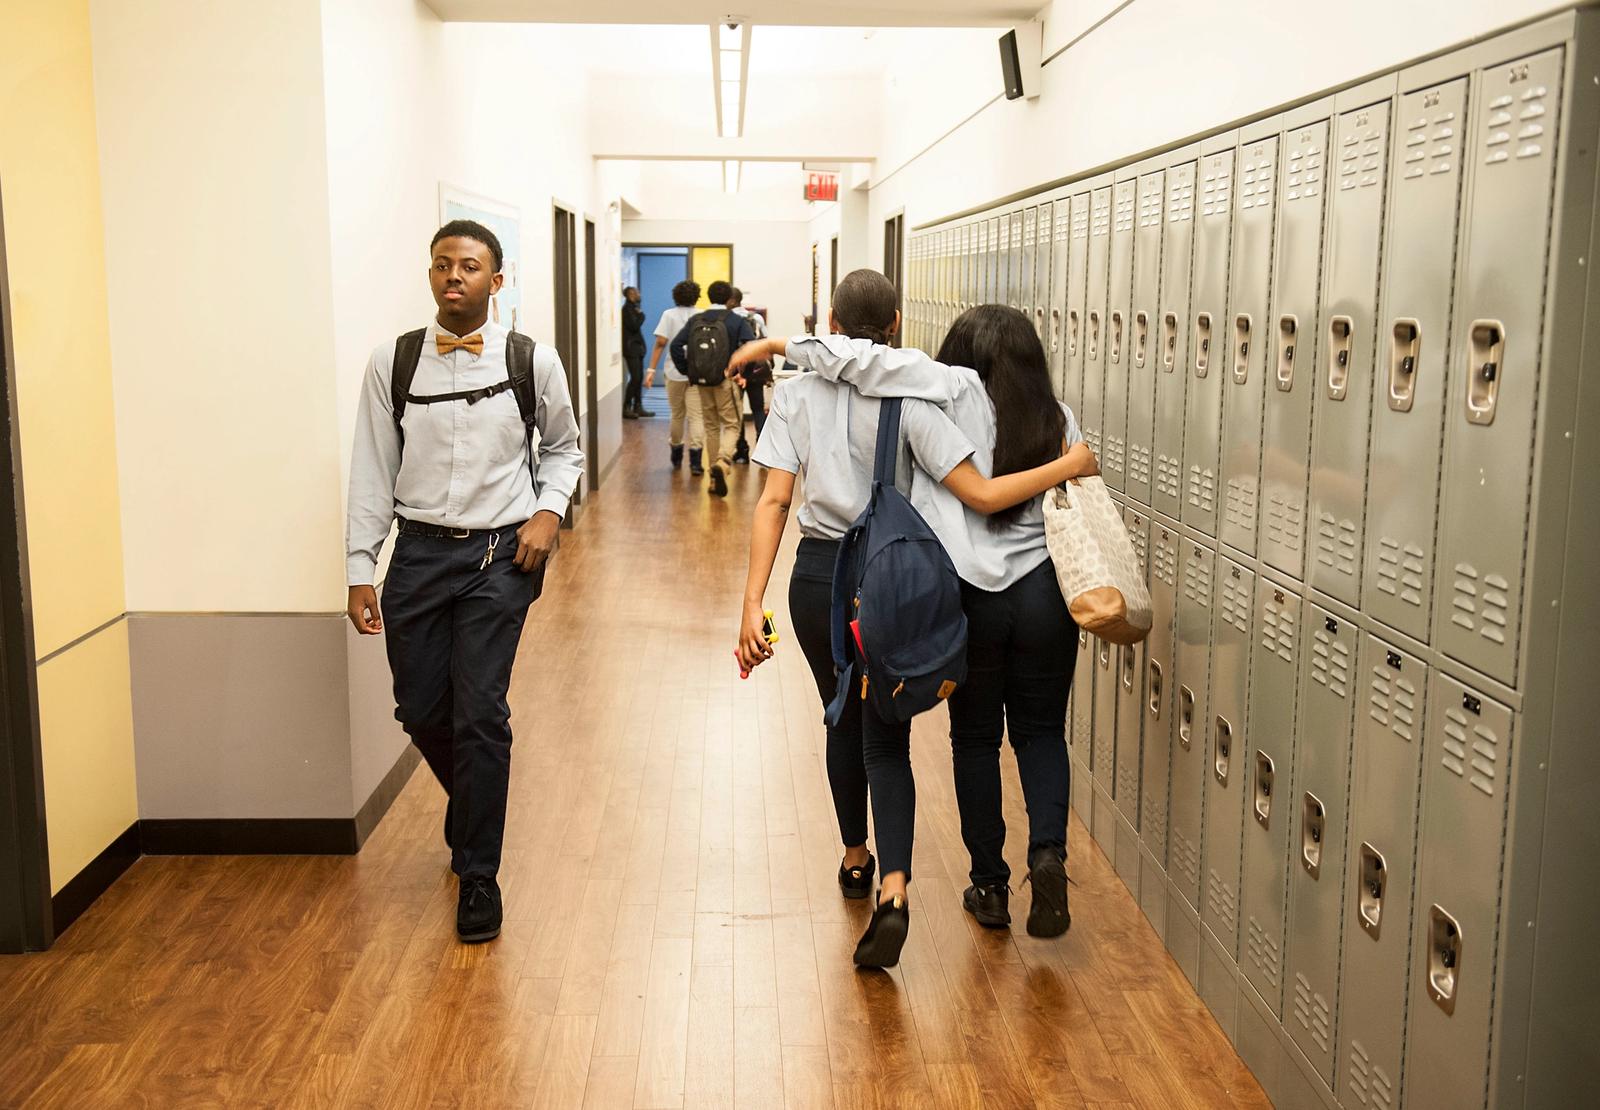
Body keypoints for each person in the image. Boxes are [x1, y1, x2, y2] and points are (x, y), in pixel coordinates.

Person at [732, 271, 1098, 968]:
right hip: (943, 583)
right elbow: (980, 490)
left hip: (851, 581)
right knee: (954, 733)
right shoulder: (1014, 413)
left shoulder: (911, 393)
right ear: (898, 322)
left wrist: (753, 602)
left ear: (835, 318)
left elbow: (776, 499)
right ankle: (994, 865)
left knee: (893, 724)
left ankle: (902, 867)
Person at [346, 219, 584, 945]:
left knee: (480, 710)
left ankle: (478, 874)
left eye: (471, 267)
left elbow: (566, 450)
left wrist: (547, 514)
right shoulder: (395, 363)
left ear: (496, 281)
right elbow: (371, 467)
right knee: (418, 707)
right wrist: (361, 565)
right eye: (443, 265)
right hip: (416, 555)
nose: (455, 276)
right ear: (430, 275)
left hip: (499, 559)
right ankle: (473, 800)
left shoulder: (530, 361)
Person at [670, 279, 755, 497]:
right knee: (733, 425)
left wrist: (688, 371)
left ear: (708, 297)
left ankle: (712, 481)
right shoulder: (735, 320)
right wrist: (743, 374)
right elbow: (751, 346)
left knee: (711, 427)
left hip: (700, 382)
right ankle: (723, 462)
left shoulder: (696, 319)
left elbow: (676, 345)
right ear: (729, 299)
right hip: (726, 380)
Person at [645, 279, 700, 470]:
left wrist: (651, 370)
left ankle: (676, 454)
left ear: (676, 296)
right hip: (696, 373)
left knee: (677, 414)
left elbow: (660, 343)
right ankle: (696, 461)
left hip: (674, 371)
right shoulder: (702, 315)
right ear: (696, 296)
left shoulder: (669, 315)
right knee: (696, 416)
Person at [723, 285, 766, 463]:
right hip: (755, 370)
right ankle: (763, 452)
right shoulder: (756, 317)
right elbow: (765, 341)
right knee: (758, 410)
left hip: (734, 372)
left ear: (732, 301)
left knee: (736, 411)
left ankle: (741, 451)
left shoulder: (727, 320)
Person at [621, 286, 652, 419]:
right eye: (636, 292)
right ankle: (627, 407)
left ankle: (638, 406)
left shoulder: (633, 308)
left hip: (637, 348)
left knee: (638, 378)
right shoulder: (627, 310)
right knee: (635, 378)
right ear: (629, 295)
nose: (638, 294)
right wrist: (641, 315)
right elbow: (634, 326)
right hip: (630, 348)